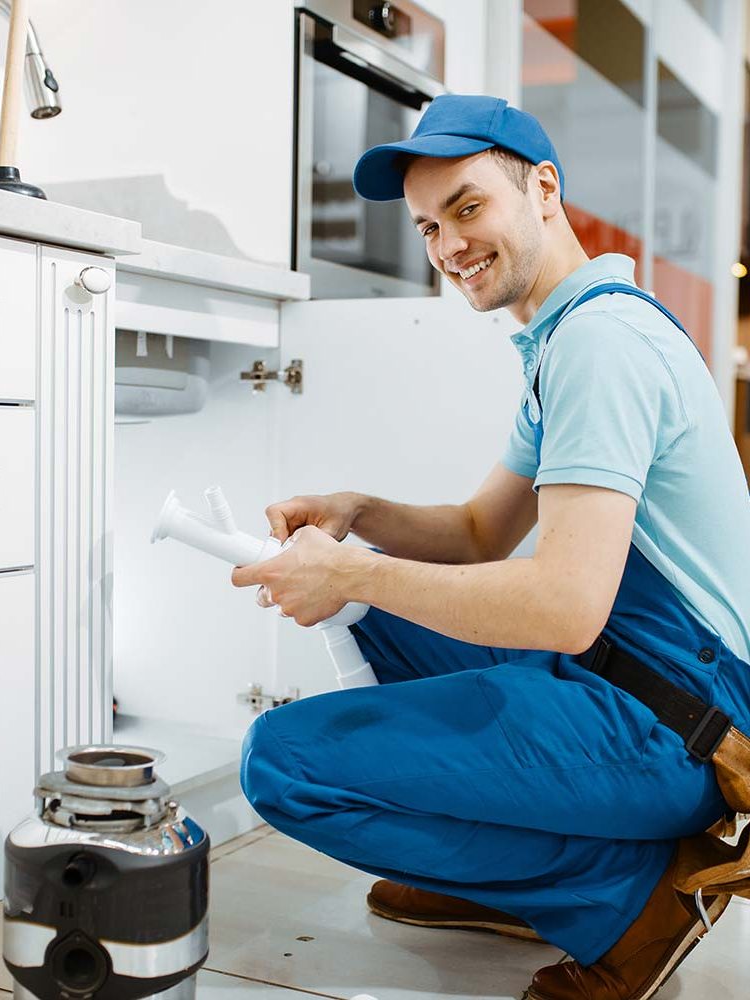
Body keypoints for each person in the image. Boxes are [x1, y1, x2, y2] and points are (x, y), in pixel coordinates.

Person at [231, 95, 750, 1000]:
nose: (447, 246)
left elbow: (565, 604)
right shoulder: (566, 335)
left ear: (542, 188)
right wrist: (359, 513)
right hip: (641, 673)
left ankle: (626, 895)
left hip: (687, 721)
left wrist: (355, 571)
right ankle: (515, 870)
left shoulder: (602, 345)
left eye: (467, 208)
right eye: (430, 225)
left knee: (283, 764)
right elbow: (478, 534)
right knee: (379, 619)